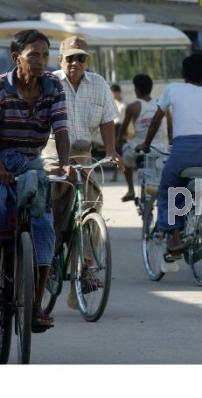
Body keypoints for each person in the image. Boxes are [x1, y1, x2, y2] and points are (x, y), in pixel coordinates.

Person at [42, 35, 123, 309]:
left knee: (90, 207)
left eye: (81, 58)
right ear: (60, 60)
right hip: (53, 153)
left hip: (84, 153)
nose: (76, 63)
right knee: (53, 211)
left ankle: (86, 269)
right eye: (70, 58)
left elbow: (107, 120)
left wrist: (111, 150)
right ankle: (50, 261)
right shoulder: (49, 82)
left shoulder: (98, 83)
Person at [0, 29, 71, 330]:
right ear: (17, 59)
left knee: (44, 227)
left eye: (45, 55)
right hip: (2, 159)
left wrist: (65, 165)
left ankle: (36, 305)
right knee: (1, 214)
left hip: (32, 162)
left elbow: (62, 130)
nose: (41, 62)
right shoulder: (1, 89)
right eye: (34, 56)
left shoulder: (53, 86)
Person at [140, 53, 202, 262]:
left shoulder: (173, 89)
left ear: (182, 73)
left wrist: (145, 145)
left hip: (180, 151)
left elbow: (155, 121)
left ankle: (176, 237)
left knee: (167, 191)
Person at [119, 74, 171, 202]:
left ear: (136, 89)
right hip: (161, 149)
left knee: (124, 155)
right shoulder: (162, 104)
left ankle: (131, 189)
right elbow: (170, 128)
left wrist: (120, 138)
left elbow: (123, 130)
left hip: (140, 149)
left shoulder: (133, 107)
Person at [110, 83, 126, 182]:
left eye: (112, 92)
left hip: (120, 128)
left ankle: (119, 172)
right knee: (114, 151)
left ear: (116, 92)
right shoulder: (113, 103)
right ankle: (116, 173)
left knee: (119, 151)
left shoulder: (124, 104)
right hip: (113, 128)